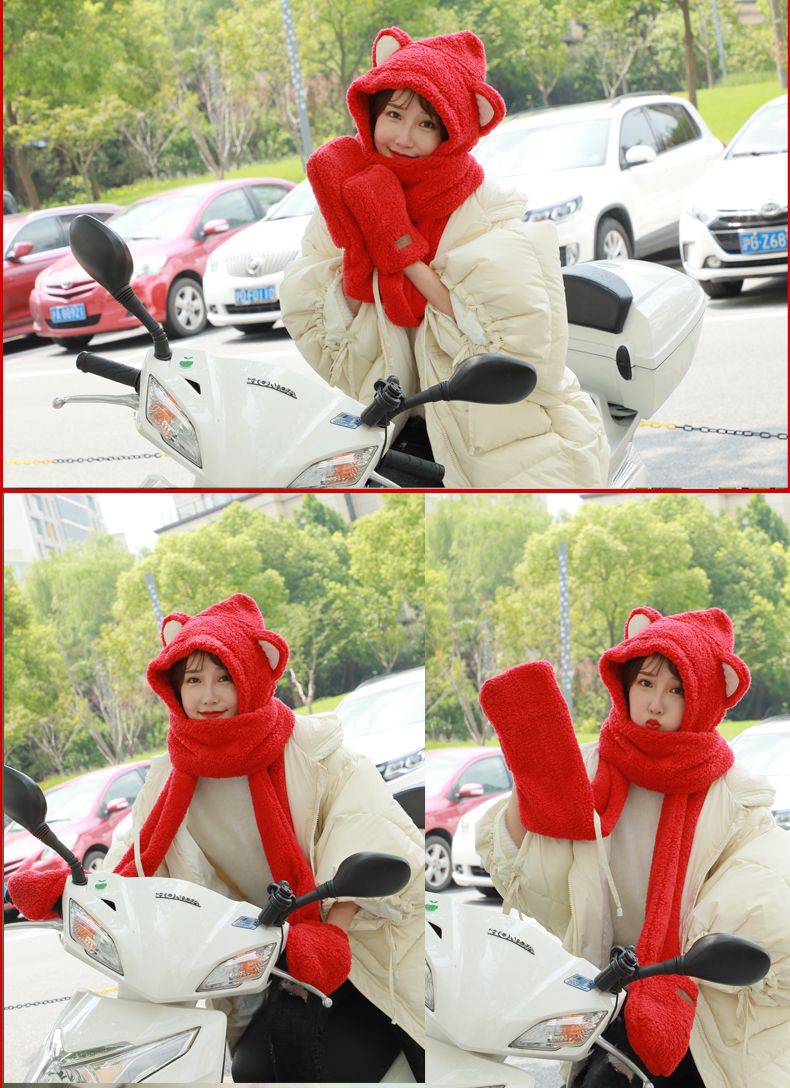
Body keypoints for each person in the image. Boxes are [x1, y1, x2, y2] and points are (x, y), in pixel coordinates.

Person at [7, 594, 424, 1083]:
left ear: (254, 674)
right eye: (194, 679)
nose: (209, 696)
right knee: (251, 1067)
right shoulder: (169, 773)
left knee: (404, 1048)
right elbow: (136, 862)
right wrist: (74, 892)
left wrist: (332, 932)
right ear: (173, 687)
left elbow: (364, 834)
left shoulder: (314, 751)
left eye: (226, 677)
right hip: (259, 962)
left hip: (359, 951)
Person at [279, 26, 609, 489]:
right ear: (370, 110)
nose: (403, 136)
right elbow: (325, 332)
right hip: (396, 425)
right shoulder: (352, 195)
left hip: (500, 425)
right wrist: (360, 243)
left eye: (426, 124)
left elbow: (512, 343)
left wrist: (399, 246)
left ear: (454, 132)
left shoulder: (486, 209)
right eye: (393, 114)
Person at [475, 606, 790, 1087]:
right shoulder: (592, 767)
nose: (655, 703)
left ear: (707, 697)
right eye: (645, 682)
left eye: (676, 690)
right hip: (599, 993)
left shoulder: (734, 795)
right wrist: (531, 773)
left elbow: (763, 886)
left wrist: (689, 955)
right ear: (623, 681)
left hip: (693, 1003)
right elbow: (533, 873)